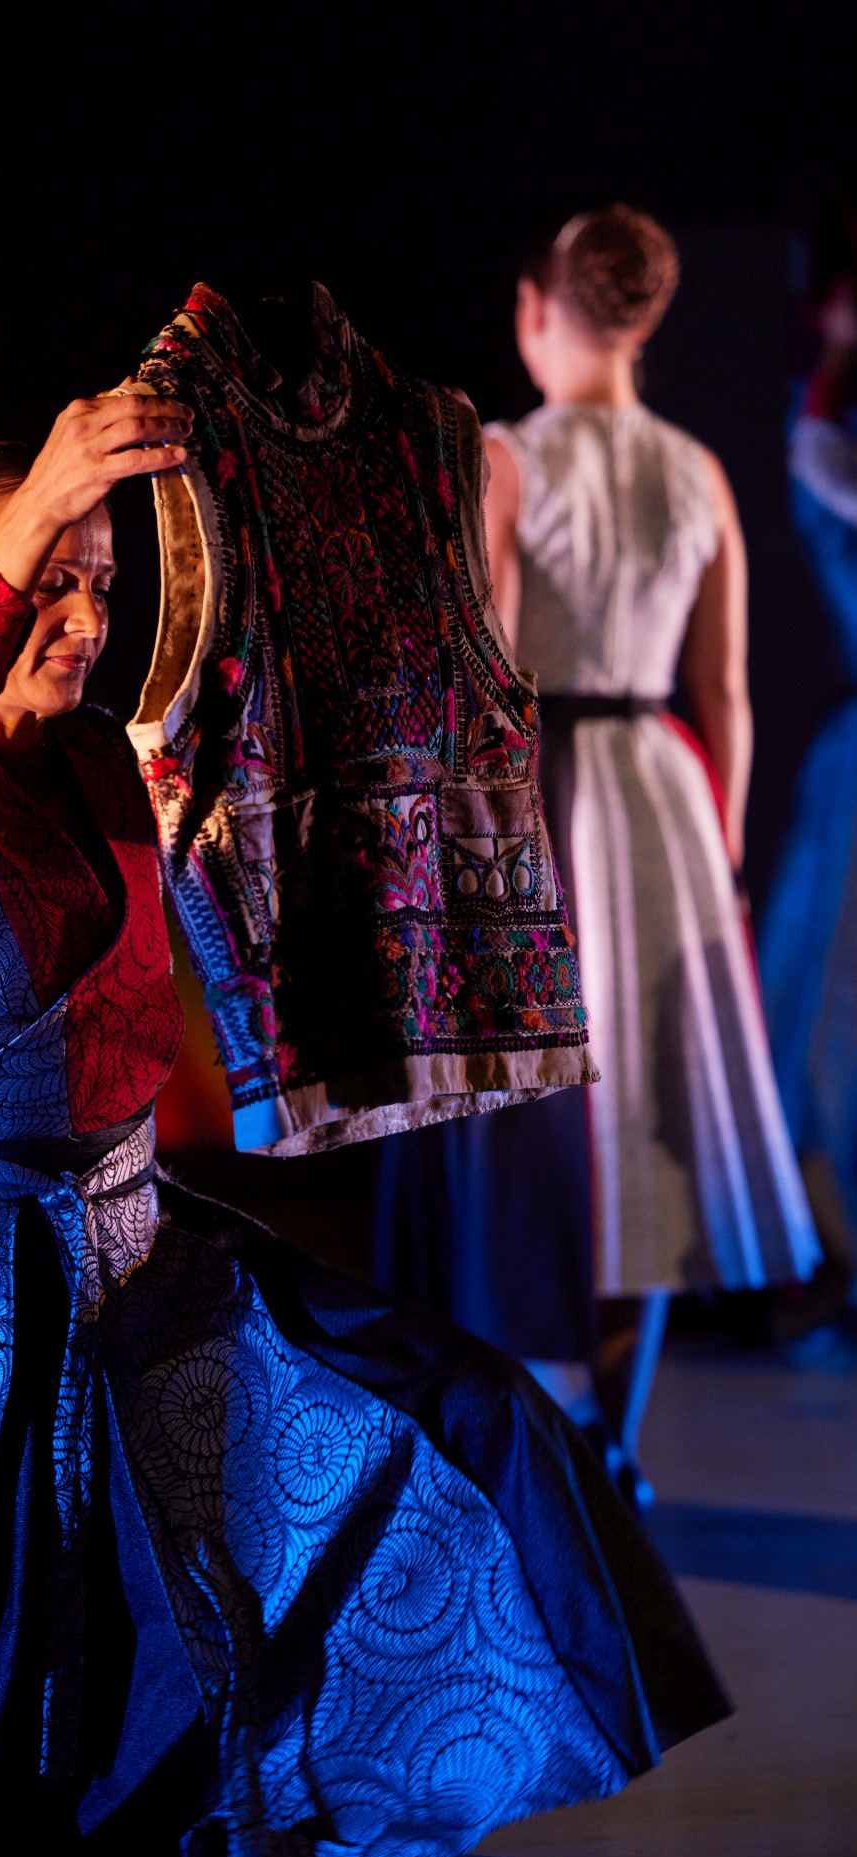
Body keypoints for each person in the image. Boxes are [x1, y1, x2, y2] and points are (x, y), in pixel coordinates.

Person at [0, 385, 727, 1857]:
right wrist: (49, 485)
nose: (80, 618)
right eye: (46, 578)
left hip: (146, 1244)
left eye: (100, 586)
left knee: (461, 1414)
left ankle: (338, 1770)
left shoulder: (107, 768)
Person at [376, 206, 819, 1504]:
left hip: (541, 794)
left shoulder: (508, 458)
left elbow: (486, 669)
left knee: (536, 1108)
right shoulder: (694, 470)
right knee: (641, 1109)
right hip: (661, 793)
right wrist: (719, 843)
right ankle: (608, 1433)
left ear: (535, 311)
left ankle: (555, 1425)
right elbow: (724, 689)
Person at [758, 256, 857, 1319]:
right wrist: (833, 353)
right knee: (820, 1012)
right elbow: (815, 461)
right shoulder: (829, 455)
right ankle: (826, 1256)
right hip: (848, 770)